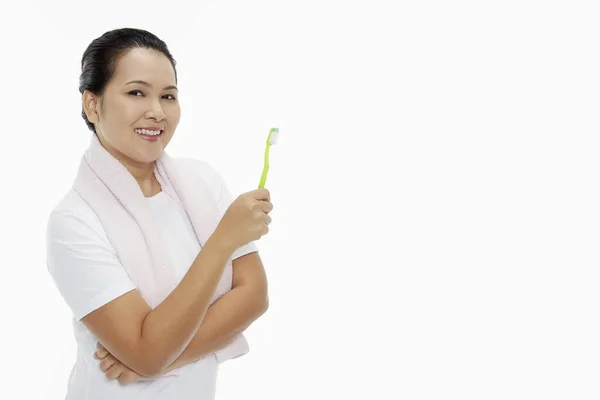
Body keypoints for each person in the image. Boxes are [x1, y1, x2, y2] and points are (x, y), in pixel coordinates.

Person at [46, 27, 272, 400]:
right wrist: (223, 241)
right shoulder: (74, 222)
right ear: (93, 104)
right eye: (136, 92)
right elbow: (146, 348)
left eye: (168, 96)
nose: (156, 111)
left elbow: (253, 296)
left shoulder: (200, 183)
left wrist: (155, 359)